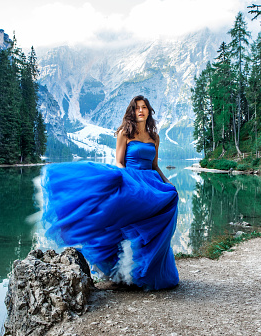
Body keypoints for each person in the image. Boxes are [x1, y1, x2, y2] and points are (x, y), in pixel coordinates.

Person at [41, 95, 179, 290]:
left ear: (149, 111)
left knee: (170, 201)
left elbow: (154, 165)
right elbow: (119, 162)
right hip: (131, 178)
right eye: (137, 107)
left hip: (151, 182)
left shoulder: (154, 137)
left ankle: (148, 269)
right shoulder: (125, 132)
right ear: (132, 111)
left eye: (144, 107)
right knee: (121, 218)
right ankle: (124, 270)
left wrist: (168, 182)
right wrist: (127, 180)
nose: (141, 110)